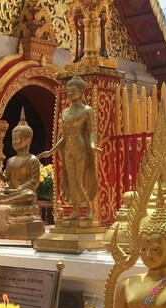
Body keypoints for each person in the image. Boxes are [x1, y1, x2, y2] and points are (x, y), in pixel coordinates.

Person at [38, 75, 100, 221]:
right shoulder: (65, 112)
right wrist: (51, 151)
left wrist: (92, 145)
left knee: (80, 179)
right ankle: (76, 210)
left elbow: (91, 132)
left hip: (81, 148)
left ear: (81, 92)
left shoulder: (87, 110)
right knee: (71, 181)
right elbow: (64, 137)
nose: (70, 94)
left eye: (73, 91)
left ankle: (90, 208)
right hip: (68, 150)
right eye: (68, 92)